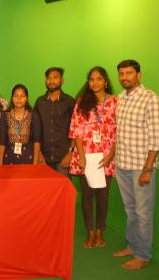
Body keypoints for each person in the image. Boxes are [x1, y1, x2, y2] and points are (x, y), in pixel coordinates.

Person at [112, 60, 159, 270]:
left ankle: (143, 255)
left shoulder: (151, 99)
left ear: (139, 75)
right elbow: (118, 133)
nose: (125, 77)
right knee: (130, 209)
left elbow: (158, 138)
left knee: (143, 212)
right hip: (122, 163)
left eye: (129, 73)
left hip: (141, 167)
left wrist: (147, 169)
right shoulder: (120, 99)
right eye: (121, 74)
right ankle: (133, 246)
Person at [69, 66, 117, 249]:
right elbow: (76, 131)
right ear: (88, 83)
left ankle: (100, 231)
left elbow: (119, 131)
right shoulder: (82, 102)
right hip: (86, 157)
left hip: (106, 157)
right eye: (91, 79)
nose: (95, 82)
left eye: (99, 79)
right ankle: (90, 231)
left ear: (106, 81)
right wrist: (81, 157)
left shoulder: (115, 102)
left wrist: (111, 155)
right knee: (87, 196)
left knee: (103, 197)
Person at [33, 67, 75, 177]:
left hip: (63, 158)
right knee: (45, 192)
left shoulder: (69, 102)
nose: (51, 81)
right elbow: (35, 129)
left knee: (63, 192)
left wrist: (71, 153)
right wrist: (39, 154)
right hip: (44, 158)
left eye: (55, 77)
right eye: (49, 78)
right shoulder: (39, 102)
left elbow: (75, 129)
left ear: (62, 80)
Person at [0, 84, 41, 165]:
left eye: (22, 96)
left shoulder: (34, 115)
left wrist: (35, 165)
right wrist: (0, 164)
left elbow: (37, 142)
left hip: (28, 160)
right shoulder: (5, 115)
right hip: (9, 159)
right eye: (16, 96)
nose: (19, 99)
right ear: (12, 98)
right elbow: (2, 141)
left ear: (26, 98)